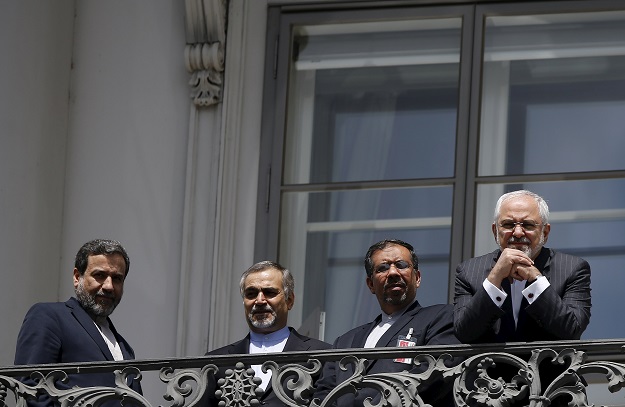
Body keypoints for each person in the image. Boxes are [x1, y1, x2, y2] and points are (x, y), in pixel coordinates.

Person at [314, 239, 459, 407]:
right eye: (382, 268)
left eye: (401, 265)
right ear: (370, 285)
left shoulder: (440, 318)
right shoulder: (344, 342)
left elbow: (435, 374)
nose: (393, 273)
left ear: (417, 278)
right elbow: (323, 393)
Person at [14, 239, 142, 406]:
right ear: (77, 277)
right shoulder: (50, 317)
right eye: (100, 275)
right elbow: (31, 387)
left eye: (117, 278)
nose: (109, 286)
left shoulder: (125, 349)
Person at [454, 189, 592, 343]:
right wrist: (495, 277)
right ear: (495, 231)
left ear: (545, 233)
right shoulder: (468, 272)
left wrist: (536, 280)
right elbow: (464, 332)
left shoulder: (572, 269)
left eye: (527, 225)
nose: (518, 232)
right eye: (508, 224)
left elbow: (571, 329)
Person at [205, 261, 331, 407]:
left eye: (269, 292)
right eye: (251, 294)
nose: (259, 300)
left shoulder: (322, 354)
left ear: (289, 301)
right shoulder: (216, 361)